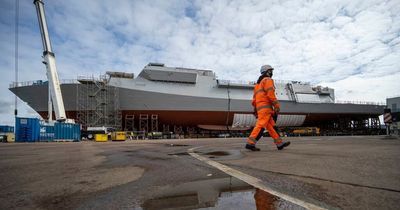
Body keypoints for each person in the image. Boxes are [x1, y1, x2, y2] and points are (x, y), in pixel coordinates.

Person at [245, 65, 290, 151]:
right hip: (266, 109)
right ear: (268, 72)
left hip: (261, 109)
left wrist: (255, 110)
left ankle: (279, 144)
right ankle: (250, 143)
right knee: (261, 125)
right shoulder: (268, 80)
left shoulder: (257, 85)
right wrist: (276, 105)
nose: (272, 73)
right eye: (271, 71)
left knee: (272, 127)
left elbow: (254, 100)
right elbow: (270, 94)